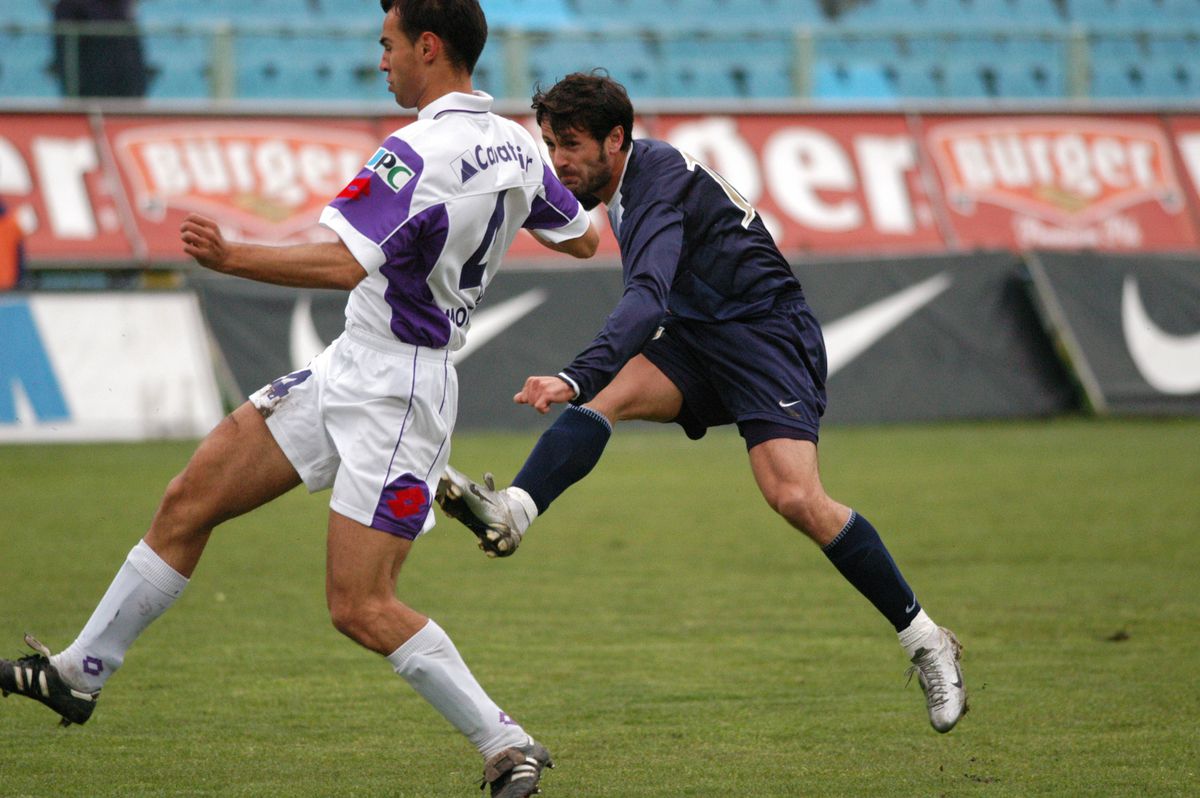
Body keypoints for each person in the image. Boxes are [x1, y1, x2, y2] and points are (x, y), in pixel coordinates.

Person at [1, 3, 597, 796]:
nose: (380, 59)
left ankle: (507, 743)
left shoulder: (415, 152)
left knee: (361, 605)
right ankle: (80, 673)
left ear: (428, 46)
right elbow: (585, 237)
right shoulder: (520, 146)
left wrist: (229, 255)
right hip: (351, 365)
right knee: (190, 500)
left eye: (388, 45)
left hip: (399, 390)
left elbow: (341, 264)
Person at [437, 71, 967, 735]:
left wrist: (572, 375)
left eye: (569, 143)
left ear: (616, 139)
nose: (558, 158)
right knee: (609, 398)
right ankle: (513, 511)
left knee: (796, 499)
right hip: (701, 337)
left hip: (766, 334)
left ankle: (926, 640)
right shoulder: (617, 180)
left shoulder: (656, 185)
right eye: (550, 142)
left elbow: (647, 299)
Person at [52, 0, 147, 98]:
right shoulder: (70, 7)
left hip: (128, 86)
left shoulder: (122, 7)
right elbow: (66, 52)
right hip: (92, 88)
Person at [0, 198, 26, 290]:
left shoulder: (12, 225)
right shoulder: (13, 224)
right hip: (9, 284)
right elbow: (20, 257)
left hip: (8, 284)